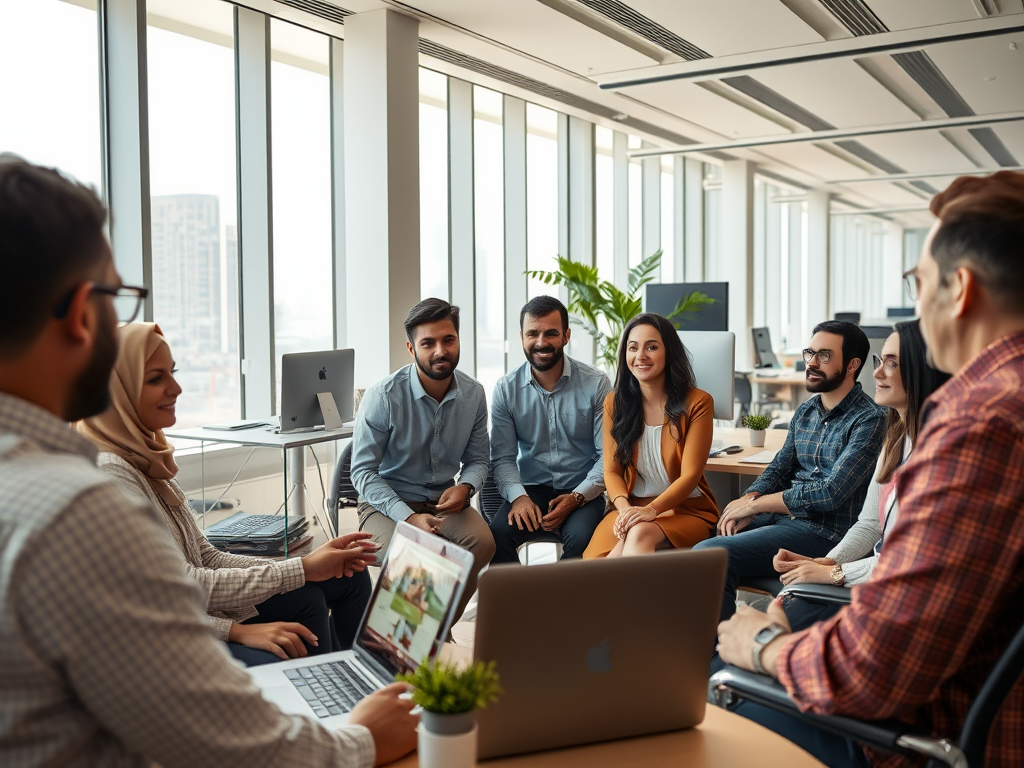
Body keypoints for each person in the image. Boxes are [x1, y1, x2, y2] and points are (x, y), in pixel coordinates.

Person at [0, 156, 416, 766]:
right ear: (80, 311)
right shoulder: (76, 507)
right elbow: (228, 741)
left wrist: (303, 569)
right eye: (116, 300)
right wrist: (363, 739)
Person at [717, 171, 1024, 768]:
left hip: (924, 739)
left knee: (716, 700)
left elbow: (876, 670)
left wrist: (764, 646)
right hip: (960, 709)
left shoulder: (980, 423)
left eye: (918, 281)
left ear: (959, 289)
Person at [76, 322, 377, 666]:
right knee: (302, 600)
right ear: (115, 391)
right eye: (155, 379)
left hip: (200, 608)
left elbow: (206, 556)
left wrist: (301, 566)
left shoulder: (147, 455)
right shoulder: (112, 474)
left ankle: (358, 684)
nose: (176, 388)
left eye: (172, 373)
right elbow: (178, 589)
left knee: (334, 583)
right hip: (174, 635)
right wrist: (234, 628)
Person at [693, 320, 886, 623]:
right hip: (785, 521)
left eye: (824, 355)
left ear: (852, 365)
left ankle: (715, 656)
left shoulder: (870, 420)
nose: (811, 362)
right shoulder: (806, 411)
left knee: (710, 553)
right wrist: (750, 499)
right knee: (706, 541)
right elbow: (779, 468)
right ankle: (717, 643)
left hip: (824, 531)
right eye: (810, 353)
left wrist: (756, 505)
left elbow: (830, 493)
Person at [771, 319, 950, 631]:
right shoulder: (896, 438)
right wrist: (827, 562)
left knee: (764, 633)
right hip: (865, 577)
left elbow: (904, 562)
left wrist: (834, 574)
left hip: (890, 600)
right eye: (880, 361)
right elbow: (869, 527)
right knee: (774, 614)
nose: (877, 372)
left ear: (923, 371)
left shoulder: (937, 453)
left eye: (891, 363)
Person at [351, 298, 494, 620]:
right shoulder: (383, 396)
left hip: (442, 501)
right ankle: (407, 638)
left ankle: (438, 631)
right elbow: (361, 472)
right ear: (411, 348)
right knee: (418, 559)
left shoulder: (473, 394)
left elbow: (478, 459)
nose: (440, 351)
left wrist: (466, 487)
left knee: (482, 542)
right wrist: (407, 516)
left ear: (458, 341)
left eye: (448, 340)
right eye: (428, 343)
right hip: (385, 504)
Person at [583, 313, 719, 558]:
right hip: (631, 507)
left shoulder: (698, 402)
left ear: (669, 352)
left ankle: (631, 597)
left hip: (684, 510)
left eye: (652, 347)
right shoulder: (615, 403)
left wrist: (651, 511)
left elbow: (690, 476)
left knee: (639, 534)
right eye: (632, 348)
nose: (640, 356)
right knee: (596, 564)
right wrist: (625, 511)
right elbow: (611, 471)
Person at [489, 296, 611, 563]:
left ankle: (562, 604)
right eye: (532, 333)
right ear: (521, 336)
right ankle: (514, 604)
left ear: (566, 336)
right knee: (497, 535)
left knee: (582, 539)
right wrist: (519, 498)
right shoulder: (506, 390)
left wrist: (577, 497)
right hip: (531, 488)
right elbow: (503, 458)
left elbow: (608, 457)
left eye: (551, 333)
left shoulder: (597, 384)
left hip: (582, 489)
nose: (541, 342)